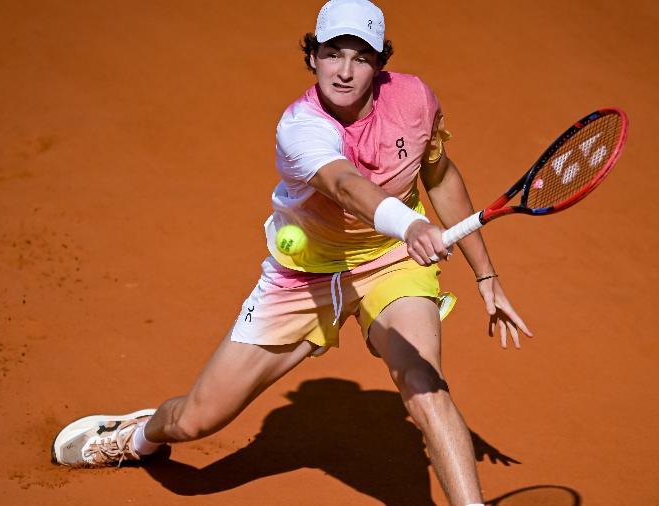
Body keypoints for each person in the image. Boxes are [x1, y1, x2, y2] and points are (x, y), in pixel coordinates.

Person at [52, 1, 531, 504]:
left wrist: (485, 274)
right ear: (313, 57)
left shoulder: (414, 100)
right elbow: (345, 186)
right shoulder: (300, 127)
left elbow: (439, 174)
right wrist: (409, 223)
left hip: (391, 261)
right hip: (304, 278)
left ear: (379, 64)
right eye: (333, 53)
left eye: (361, 57)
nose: (344, 71)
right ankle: (139, 436)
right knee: (197, 420)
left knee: (424, 385)